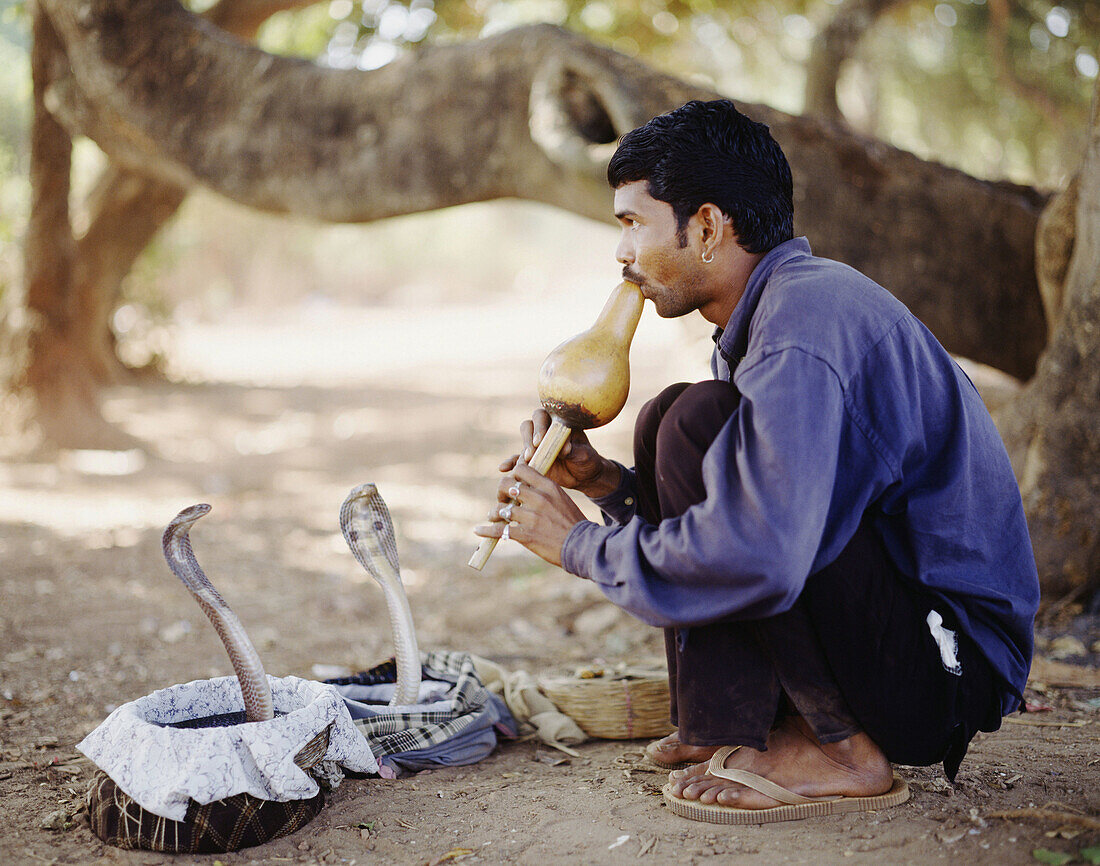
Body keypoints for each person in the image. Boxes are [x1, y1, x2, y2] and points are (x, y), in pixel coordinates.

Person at [474, 99, 1039, 824]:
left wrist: (580, 545)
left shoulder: (803, 328)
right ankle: (729, 724)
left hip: (945, 670)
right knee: (674, 422)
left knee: (695, 424)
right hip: (897, 638)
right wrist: (603, 485)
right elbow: (738, 511)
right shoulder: (775, 312)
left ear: (707, 227)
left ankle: (837, 747)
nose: (621, 254)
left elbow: (763, 550)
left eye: (632, 224)